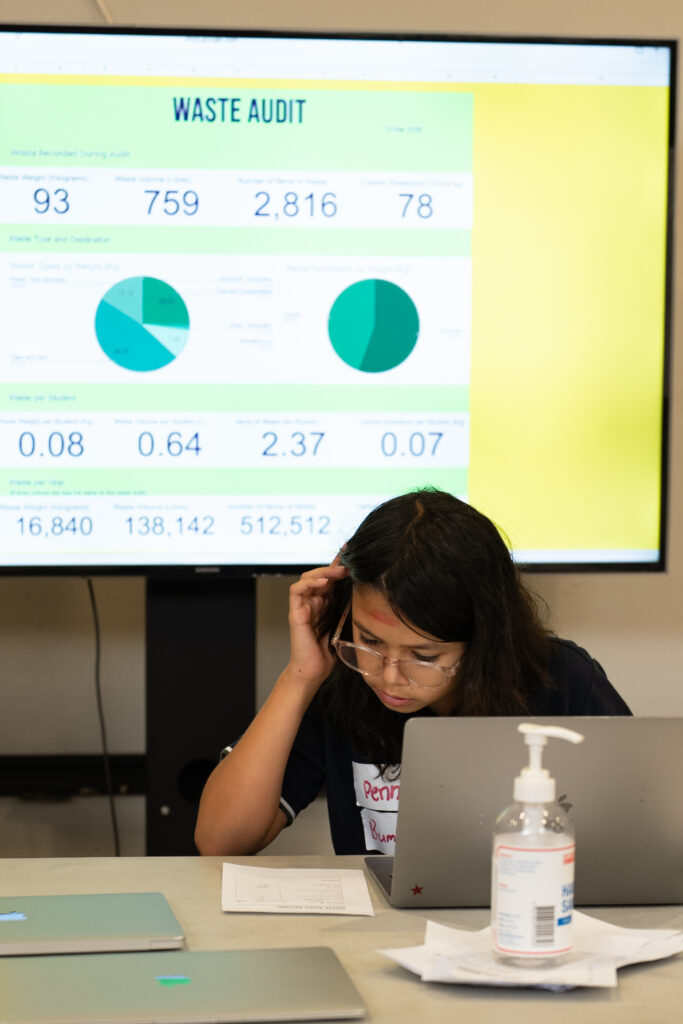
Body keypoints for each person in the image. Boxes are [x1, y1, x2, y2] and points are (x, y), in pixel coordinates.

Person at [194, 488, 630, 857]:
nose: (388, 676)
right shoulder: (339, 684)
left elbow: (640, 833)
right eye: (369, 641)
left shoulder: (562, 680)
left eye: (425, 656)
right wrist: (300, 676)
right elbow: (220, 841)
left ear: (484, 640)